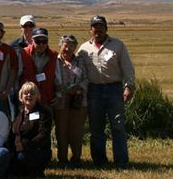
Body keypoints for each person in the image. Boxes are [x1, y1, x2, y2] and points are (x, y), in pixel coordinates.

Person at [78, 15, 135, 168]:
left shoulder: (118, 45)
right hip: (94, 90)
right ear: (90, 29)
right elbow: (77, 69)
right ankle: (99, 161)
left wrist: (129, 86)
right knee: (96, 128)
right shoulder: (83, 48)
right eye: (95, 26)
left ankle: (121, 161)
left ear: (106, 28)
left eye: (101, 26)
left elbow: (127, 67)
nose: (98, 29)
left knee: (118, 126)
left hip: (114, 89)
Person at [54, 35, 89, 167]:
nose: (67, 48)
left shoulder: (80, 61)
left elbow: (86, 79)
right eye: (65, 45)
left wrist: (79, 87)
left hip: (78, 100)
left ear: (75, 48)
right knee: (61, 131)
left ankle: (76, 159)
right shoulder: (54, 61)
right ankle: (62, 160)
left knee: (76, 132)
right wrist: (64, 89)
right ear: (60, 46)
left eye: (71, 46)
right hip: (61, 100)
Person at [12, 82, 52, 179]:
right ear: (21, 96)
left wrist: (25, 145)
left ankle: (35, 172)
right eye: (26, 93)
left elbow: (43, 134)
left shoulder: (44, 112)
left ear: (37, 96)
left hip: (37, 150)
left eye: (32, 93)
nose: (29, 95)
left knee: (21, 158)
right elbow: (14, 132)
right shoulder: (19, 112)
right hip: (19, 148)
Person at [20, 28, 57, 105]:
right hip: (28, 98)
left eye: (44, 41)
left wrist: (58, 94)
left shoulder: (54, 55)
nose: (41, 44)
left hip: (47, 97)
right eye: (38, 41)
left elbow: (57, 77)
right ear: (32, 41)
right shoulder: (24, 53)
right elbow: (18, 75)